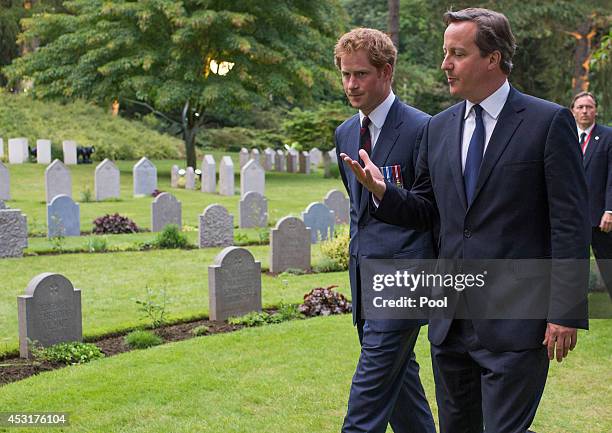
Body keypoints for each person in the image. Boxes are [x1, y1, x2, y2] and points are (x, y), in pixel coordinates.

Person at [340, 8, 590, 433]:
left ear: (492, 59)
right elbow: (426, 211)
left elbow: (569, 222)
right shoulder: (438, 128)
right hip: (451, 321)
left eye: (457, 53)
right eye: (445, 53)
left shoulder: (547, 123)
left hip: (516, 316)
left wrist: (565, 310)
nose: (445, 64)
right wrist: (384, 192)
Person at [333, 28, 436, 433]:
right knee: (401, 384)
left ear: (386, 72)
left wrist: (385, 191)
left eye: (360, 74)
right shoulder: (343, 133)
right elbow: (360, 215)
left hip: (407, 276)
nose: (351, 85)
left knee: (369, 393)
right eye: (345, 75)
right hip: (364, 274)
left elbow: (430, 210)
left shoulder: (422, 128)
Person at [571, 91, 612, 299]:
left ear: (596, 110)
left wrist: (610, 209)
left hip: (600, 217)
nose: (585, 111)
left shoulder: (608, 136)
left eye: (589, 107)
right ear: (573, 111)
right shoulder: (566, 137)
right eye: (580, 107)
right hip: (571, 216)